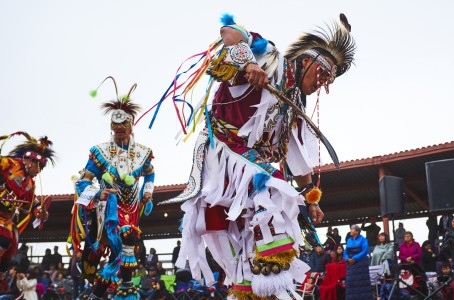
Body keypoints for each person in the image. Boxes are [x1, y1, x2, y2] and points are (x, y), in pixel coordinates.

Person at [160, 13, 355, 299]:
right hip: (222, 150)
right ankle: (271, 281)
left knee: (249, 231)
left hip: (248, 165)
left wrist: (310, 196)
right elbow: (230, 30)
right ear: (306, 62)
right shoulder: (271, 59)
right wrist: (249, 63)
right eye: (323, 75)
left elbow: (296, 158)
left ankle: (251, 289)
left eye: (329, 81)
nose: (321, 85)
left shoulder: (294, 105)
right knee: (273, 190)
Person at [70, 77, 155, 300]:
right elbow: (83, 182)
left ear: (130, 125)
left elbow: (150, 173)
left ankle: (115, 291)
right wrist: (99, 193)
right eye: (115, 126)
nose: (119, 129)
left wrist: (148, 193)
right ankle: (106, 289)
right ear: (111, 127)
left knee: (128, 245)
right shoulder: (100, 152)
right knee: (117, 244)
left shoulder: (143, 153)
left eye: (123, 125)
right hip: (107, 208)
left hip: (132, 207)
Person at [0, 132, 55, 273]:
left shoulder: (30, 183)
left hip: (5, 217)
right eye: (39, 167)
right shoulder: (9, 163)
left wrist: (41, 213)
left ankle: (2, 274)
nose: (39, 172)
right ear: (31, 161)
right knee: (5, 232)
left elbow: (32, 204)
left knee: (14, 237)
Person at [343, 225, 371, 299]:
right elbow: (345, 251)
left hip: (360, 264)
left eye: (352, 229)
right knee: (351, 283)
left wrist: (355, 258)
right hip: (350, 264)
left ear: (357, 231)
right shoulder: (349, 240)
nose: (351, 231)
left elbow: (365, 250)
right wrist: (347, 258)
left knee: (362, 283)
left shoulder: (363, 239)